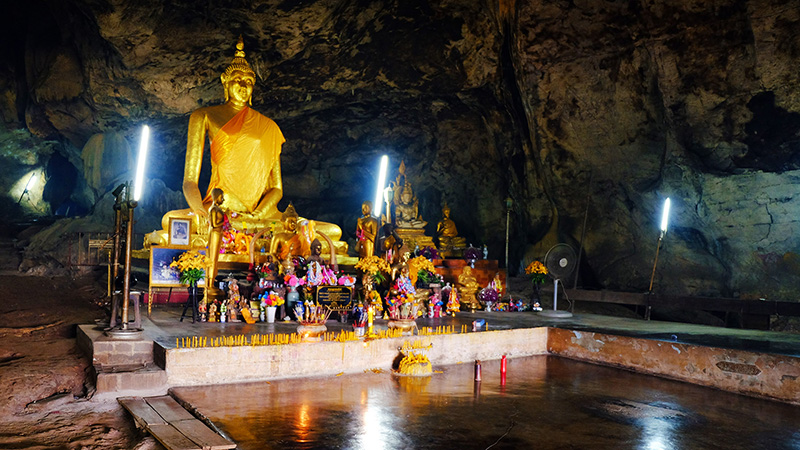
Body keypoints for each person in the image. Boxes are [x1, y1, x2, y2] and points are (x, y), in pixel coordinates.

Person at [148, 36, 343, 249]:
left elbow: (276, 188)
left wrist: (257, 215)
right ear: (225, 80)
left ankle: (235, 237)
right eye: (238, 79)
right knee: (170, 220)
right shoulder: (204, 116)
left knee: (332, 231)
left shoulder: (269, 126)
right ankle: (240, 236)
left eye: (249, 82)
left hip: (262, 215)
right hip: (221, 208)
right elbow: (189, 181)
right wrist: (202, 213)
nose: (243, 85)